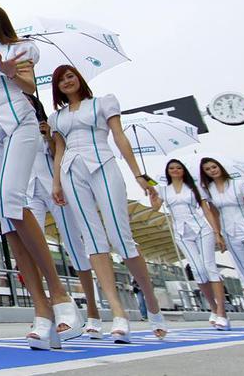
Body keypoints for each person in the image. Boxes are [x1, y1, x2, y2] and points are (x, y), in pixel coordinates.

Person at [0, 5, 82, 350]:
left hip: (20, 126)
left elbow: (29, 86)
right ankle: (43, 314)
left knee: (14, 202)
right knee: (9, 223)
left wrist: (11, 72)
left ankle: (60, 297)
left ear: (2, 27)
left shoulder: (18, 50)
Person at [49, 64, 168, 342]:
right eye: (61, 80)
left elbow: (119, 137)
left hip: (103, 163)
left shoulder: (104, 103)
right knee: (92, 238)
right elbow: (59, 151)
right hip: (71, 171)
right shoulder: (57, 118)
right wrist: (56, 182)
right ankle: (118, 313)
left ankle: (151, 302)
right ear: (57, 88)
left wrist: (140, 176)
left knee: (119, 235)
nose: (67, 81)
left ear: (79, 78)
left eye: (70, 76)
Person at [23, 94, 104, 339]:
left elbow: (60, 153)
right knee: (31, 251)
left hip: (54, 187)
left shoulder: (50, 126)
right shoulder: (11, 129)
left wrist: (48, 136)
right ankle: (46, 310)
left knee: (74, 246)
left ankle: (92, 310)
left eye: (27, 102)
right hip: (28, 191)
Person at [150, 159, 228, 329]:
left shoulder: (194, 187)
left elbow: (206, 210)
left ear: (183, 170)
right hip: (181, 232)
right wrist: (152, 196)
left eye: (178, 168)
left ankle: (222, 312)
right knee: (198, 270)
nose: (175, 170)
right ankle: (213, 308)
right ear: (168, 171)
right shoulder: (164, 190)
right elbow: (156, 208)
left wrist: (217, 233)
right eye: (172, 168)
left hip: (201, 230)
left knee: (210, 268)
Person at [199, 157, 244, 311]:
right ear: (205, 173)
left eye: (214, 167)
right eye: (208, 169)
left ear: (220, 167)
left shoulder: (239, 184)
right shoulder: (209, 191)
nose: (212, 170)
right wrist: (218, 235)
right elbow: (214, 214)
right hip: (230, 234)